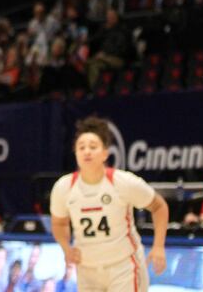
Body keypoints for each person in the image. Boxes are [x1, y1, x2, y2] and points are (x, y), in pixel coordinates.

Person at [50, 116, 168, 291]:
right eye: (81, 147)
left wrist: (158, 246)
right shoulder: (63, 187)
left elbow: (159, 206)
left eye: (93, 147)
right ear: (75, 153)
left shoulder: (123, 182)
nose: (87, 152)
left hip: (124, 266)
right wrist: (66, 248)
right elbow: (59, 223)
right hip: (87, 269)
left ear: (105, 153)